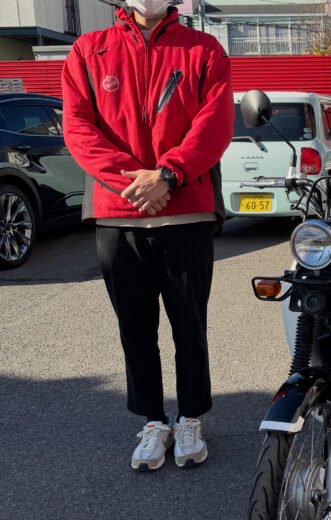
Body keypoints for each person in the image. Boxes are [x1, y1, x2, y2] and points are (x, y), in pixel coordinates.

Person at [62, 0, 234, 471]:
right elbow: (78, 127)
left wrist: (169, 175)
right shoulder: (88, 50)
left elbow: (215, 123)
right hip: (118, 216)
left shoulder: (204, 49)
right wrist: (134, 184)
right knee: (135, 329)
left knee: (190, 327)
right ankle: (154, 422)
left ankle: (190, 417)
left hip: (186, 213)